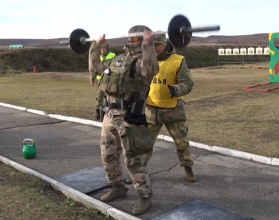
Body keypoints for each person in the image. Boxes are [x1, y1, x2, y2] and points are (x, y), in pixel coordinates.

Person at [88, 25, 159, 215]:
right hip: (109, 115)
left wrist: (148, 45)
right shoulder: (118, 60)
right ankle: (117, 187)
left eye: (136, 39)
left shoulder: (143, 63)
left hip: (130, 117)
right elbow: (96, 68)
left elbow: (151, 70)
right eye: (131, 39)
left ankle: (145, 196)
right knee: (108, 155)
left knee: (133, 160)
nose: (131, 42)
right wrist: (95, 46)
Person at [126, 32, 196, 185]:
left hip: (174, 111)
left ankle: (188, 168)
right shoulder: (145, 60)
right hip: (151, 110)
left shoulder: (178, 61)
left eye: (158, 45)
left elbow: (188, 83)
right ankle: (139, 173)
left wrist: (176, 90)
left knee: (181, 142)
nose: (155, 48)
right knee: (145, 145)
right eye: (152, 45)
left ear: (165, 44)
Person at [90, 42, 115, 121]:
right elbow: (94, 68)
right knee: (100, 96)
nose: (102, 50)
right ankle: (98, 113)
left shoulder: (112, 56)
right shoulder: (98, 57)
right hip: (100, 80)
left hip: (110, 79)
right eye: (101, 48)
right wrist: (92, 78)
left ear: (107, 48)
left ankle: (109, 112)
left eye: (104, 48)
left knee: (110, 96)